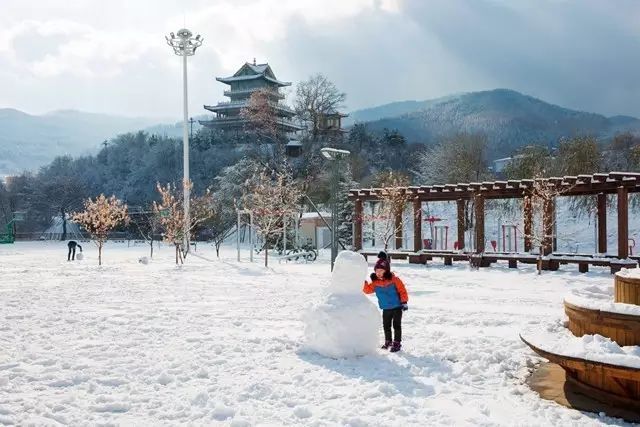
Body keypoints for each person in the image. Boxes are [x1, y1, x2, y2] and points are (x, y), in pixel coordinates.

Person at [362, 257, 408, 352]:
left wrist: (404, 302)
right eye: (376, 271)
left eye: (381, 270)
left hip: (397, 307)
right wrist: (362, 282)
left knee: (396, 325)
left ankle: (397, 343)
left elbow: (402, 290)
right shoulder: (375, 283)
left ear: (386, 271)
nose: (378, 273)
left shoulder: (394, 280)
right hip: (386, 308)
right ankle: (388, 341)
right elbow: (367, 290)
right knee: (386, 325)